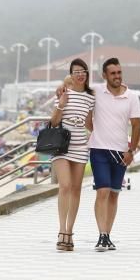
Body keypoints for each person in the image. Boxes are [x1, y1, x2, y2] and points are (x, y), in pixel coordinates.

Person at [88, 58, 140, 252]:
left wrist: (131, 150)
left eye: (119, 73)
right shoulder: (95, 91)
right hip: (99, 149)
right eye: (113, 73)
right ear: (104, 75)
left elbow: (136, 125)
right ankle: (101, 235)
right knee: (102, 191)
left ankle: (108, 235)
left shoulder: (131, 96)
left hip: (121, 152)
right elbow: (73, 83)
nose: (117, 76)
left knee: (113, 195)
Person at [50, 58, 95, 252]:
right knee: (65, 186)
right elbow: (53, 122)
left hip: (80, 145)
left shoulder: (90, 97)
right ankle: (61, 230)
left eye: (83, 70)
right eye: (76, 71)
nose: (80, 74)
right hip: (61, 145)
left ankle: (69, 232)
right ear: (71, 74)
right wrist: (61, 104)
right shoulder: (63, 92)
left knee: (76, 189)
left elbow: (89, 124)